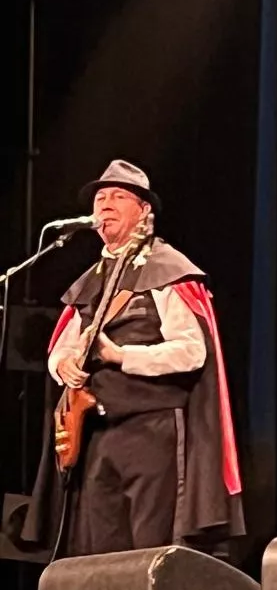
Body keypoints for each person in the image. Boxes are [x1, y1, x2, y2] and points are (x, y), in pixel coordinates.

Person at [21, 160, 244, 558]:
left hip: (152, 430)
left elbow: (192, 351)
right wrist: (65, 364)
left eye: (118, 196)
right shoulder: (89, 281)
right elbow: (60, 348)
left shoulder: (168, 269)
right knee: (99, 553)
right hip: (97, 436)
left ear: (144, 211)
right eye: (100, 198)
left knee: (150, 551)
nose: (105, 204)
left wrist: (121, 355)